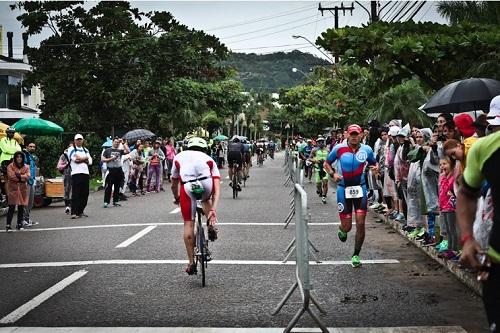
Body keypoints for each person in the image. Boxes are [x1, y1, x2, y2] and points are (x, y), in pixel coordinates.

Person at [457, 95, 500, 329]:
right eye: (492, 126)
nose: (494, 130)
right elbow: (466, 193)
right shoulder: (484, 148)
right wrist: (467, 238)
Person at [324, 124, 378, 268]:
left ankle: (356, 254)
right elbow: (327, 163)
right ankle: (342, 229)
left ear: (361, 135)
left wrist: (375, 169)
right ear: (347, 134)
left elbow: (374, 163)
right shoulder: (339, 148)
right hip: (343, 188)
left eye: (357, 134)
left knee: (360, 223)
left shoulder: (367, 150)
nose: (354, 136)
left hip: (360, 188)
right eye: (352, 134)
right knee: (347, 227)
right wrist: (333, 173)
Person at [170, 137, 221, 275]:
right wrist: (213, 209)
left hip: (188, 185)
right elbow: (216, 188)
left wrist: (177, 198)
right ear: (204, 148)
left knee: (188, 224)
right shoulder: (208, 158)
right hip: (206, 184)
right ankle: (211, 223)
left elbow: (174, 183)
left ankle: (191, 262)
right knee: (205, 199)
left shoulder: (179, 156)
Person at [68, 134, 92, 219]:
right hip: (76, 173)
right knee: (76, 193)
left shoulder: (85, 150)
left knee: (85, 193)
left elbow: (90, 162)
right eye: (77, 139)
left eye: (80, 139)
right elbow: (75, 160)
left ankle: (80, 211)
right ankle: (74, 212)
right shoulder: (71, 149)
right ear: (74, 140)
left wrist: (82, 158)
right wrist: (85, 159)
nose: (79, 141)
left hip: (85, 173)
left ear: (83, 140)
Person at [5, 151, 30, 231]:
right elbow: (11, 176)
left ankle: (19, 224)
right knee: (11, 206)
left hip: (23, 188)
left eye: (21, 157)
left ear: (23, 158)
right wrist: (21, 177)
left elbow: (28, 176)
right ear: (15, 158)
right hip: (13, 188)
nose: (19, 158)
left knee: (21, 206)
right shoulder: (10, 166)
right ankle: (8, 225)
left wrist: (19, 176)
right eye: (17, 157)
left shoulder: (26, 166)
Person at [101, 137, 129, 208]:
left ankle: (115, 201)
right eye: (115, 142)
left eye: (118, 142)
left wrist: (123, 143)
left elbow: (128, 151)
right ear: (113, 142)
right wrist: (111, 159)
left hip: (118, 170)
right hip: (110, 170)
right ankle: (106, 202)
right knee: (109, 187)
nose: (117, 143)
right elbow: (103, 159)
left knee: (117, 186)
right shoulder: (107, 150)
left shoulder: (119, 150)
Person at [310, 136, 329, 204]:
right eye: (319, 142)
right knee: (318, 184)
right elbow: (310, 158)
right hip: (318, 168)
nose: (321, 143)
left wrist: (328, 162)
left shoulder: (327, 150)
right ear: (317, 143)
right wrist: (315, 160)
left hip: (325, 169)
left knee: (325, 183)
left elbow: (331, 158)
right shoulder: (314, 150)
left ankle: (324, 197)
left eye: (322, 142)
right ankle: (319, 190)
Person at [22, 142, 38, 226]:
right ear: (26, 147)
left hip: (32, 181)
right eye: (30, 146)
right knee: (25, 201)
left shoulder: (32, 157)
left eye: (34, 147)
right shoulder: (24, 155)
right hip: (26, 181)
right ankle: (22, 220)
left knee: (31, 202)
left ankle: (27, 219)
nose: (32, 148)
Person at [57, 143, 73, 214]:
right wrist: (66, 164)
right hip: (67, 174)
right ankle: (67, 206)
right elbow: (59, 166)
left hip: (75, 174)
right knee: (67, 190)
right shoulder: (64, 156)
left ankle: (73, 206)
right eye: (70, 147)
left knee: (75, 190)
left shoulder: (76, 155)